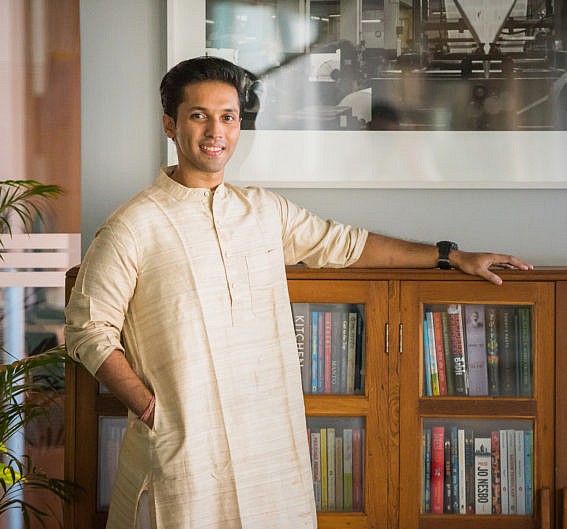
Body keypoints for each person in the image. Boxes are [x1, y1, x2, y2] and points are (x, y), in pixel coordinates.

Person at [64, 56, 531, 529]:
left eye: (228, 117)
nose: (215, 131)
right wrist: (150, 408)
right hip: (183, 450)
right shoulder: (133, 225)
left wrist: (450, 255)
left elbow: (345, 243)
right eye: (198, 115)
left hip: (267, 446)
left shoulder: (262, 210)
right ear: (170, 124)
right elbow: (87, 330)